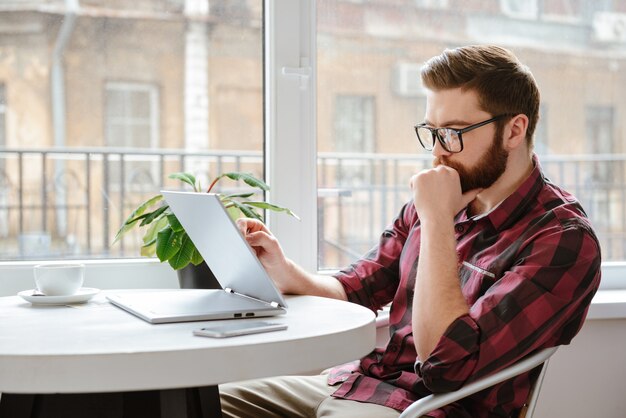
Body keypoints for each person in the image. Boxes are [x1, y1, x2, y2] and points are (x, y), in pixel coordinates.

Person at [219, 45, 602, 417]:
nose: (437, 152)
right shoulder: (442, 195)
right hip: (357, 385)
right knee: (192, 401)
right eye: (432, 132)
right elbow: (357, 289)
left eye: (453, 132)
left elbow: (445, 365)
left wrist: (437, 220)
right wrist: (284, 270)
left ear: (514, 130)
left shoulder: (562, 239)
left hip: (429, 409)